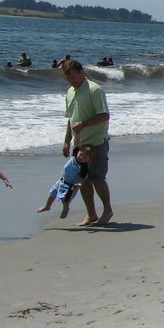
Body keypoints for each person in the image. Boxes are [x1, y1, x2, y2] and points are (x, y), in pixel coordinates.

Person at [62, 60, 112, 226]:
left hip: (96, 142)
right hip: (79, 145)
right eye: (68, 78)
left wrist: (84, 124)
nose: (72, 81)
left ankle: (107, 210)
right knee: (82, 181)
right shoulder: (70, 92)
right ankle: (91, 214)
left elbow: (104, 116)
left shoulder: (94, 90)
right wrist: (66, 141)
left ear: (81, 73)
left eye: (74, 77)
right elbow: (70, 119)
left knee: (97, 178)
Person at [38, 145, 92, 218]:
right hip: (61, 180)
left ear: (89, 159)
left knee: (65, 199)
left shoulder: (83, 167)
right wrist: (66, 146)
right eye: (81, 154)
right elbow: (77, 141)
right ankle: (47, 206)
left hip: (70, 186)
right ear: (78, 151)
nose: (81, 157)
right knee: (52, 193)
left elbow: (83, 179)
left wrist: (79, 185)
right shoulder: (75, 154)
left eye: (85, 157)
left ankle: (66, 208)